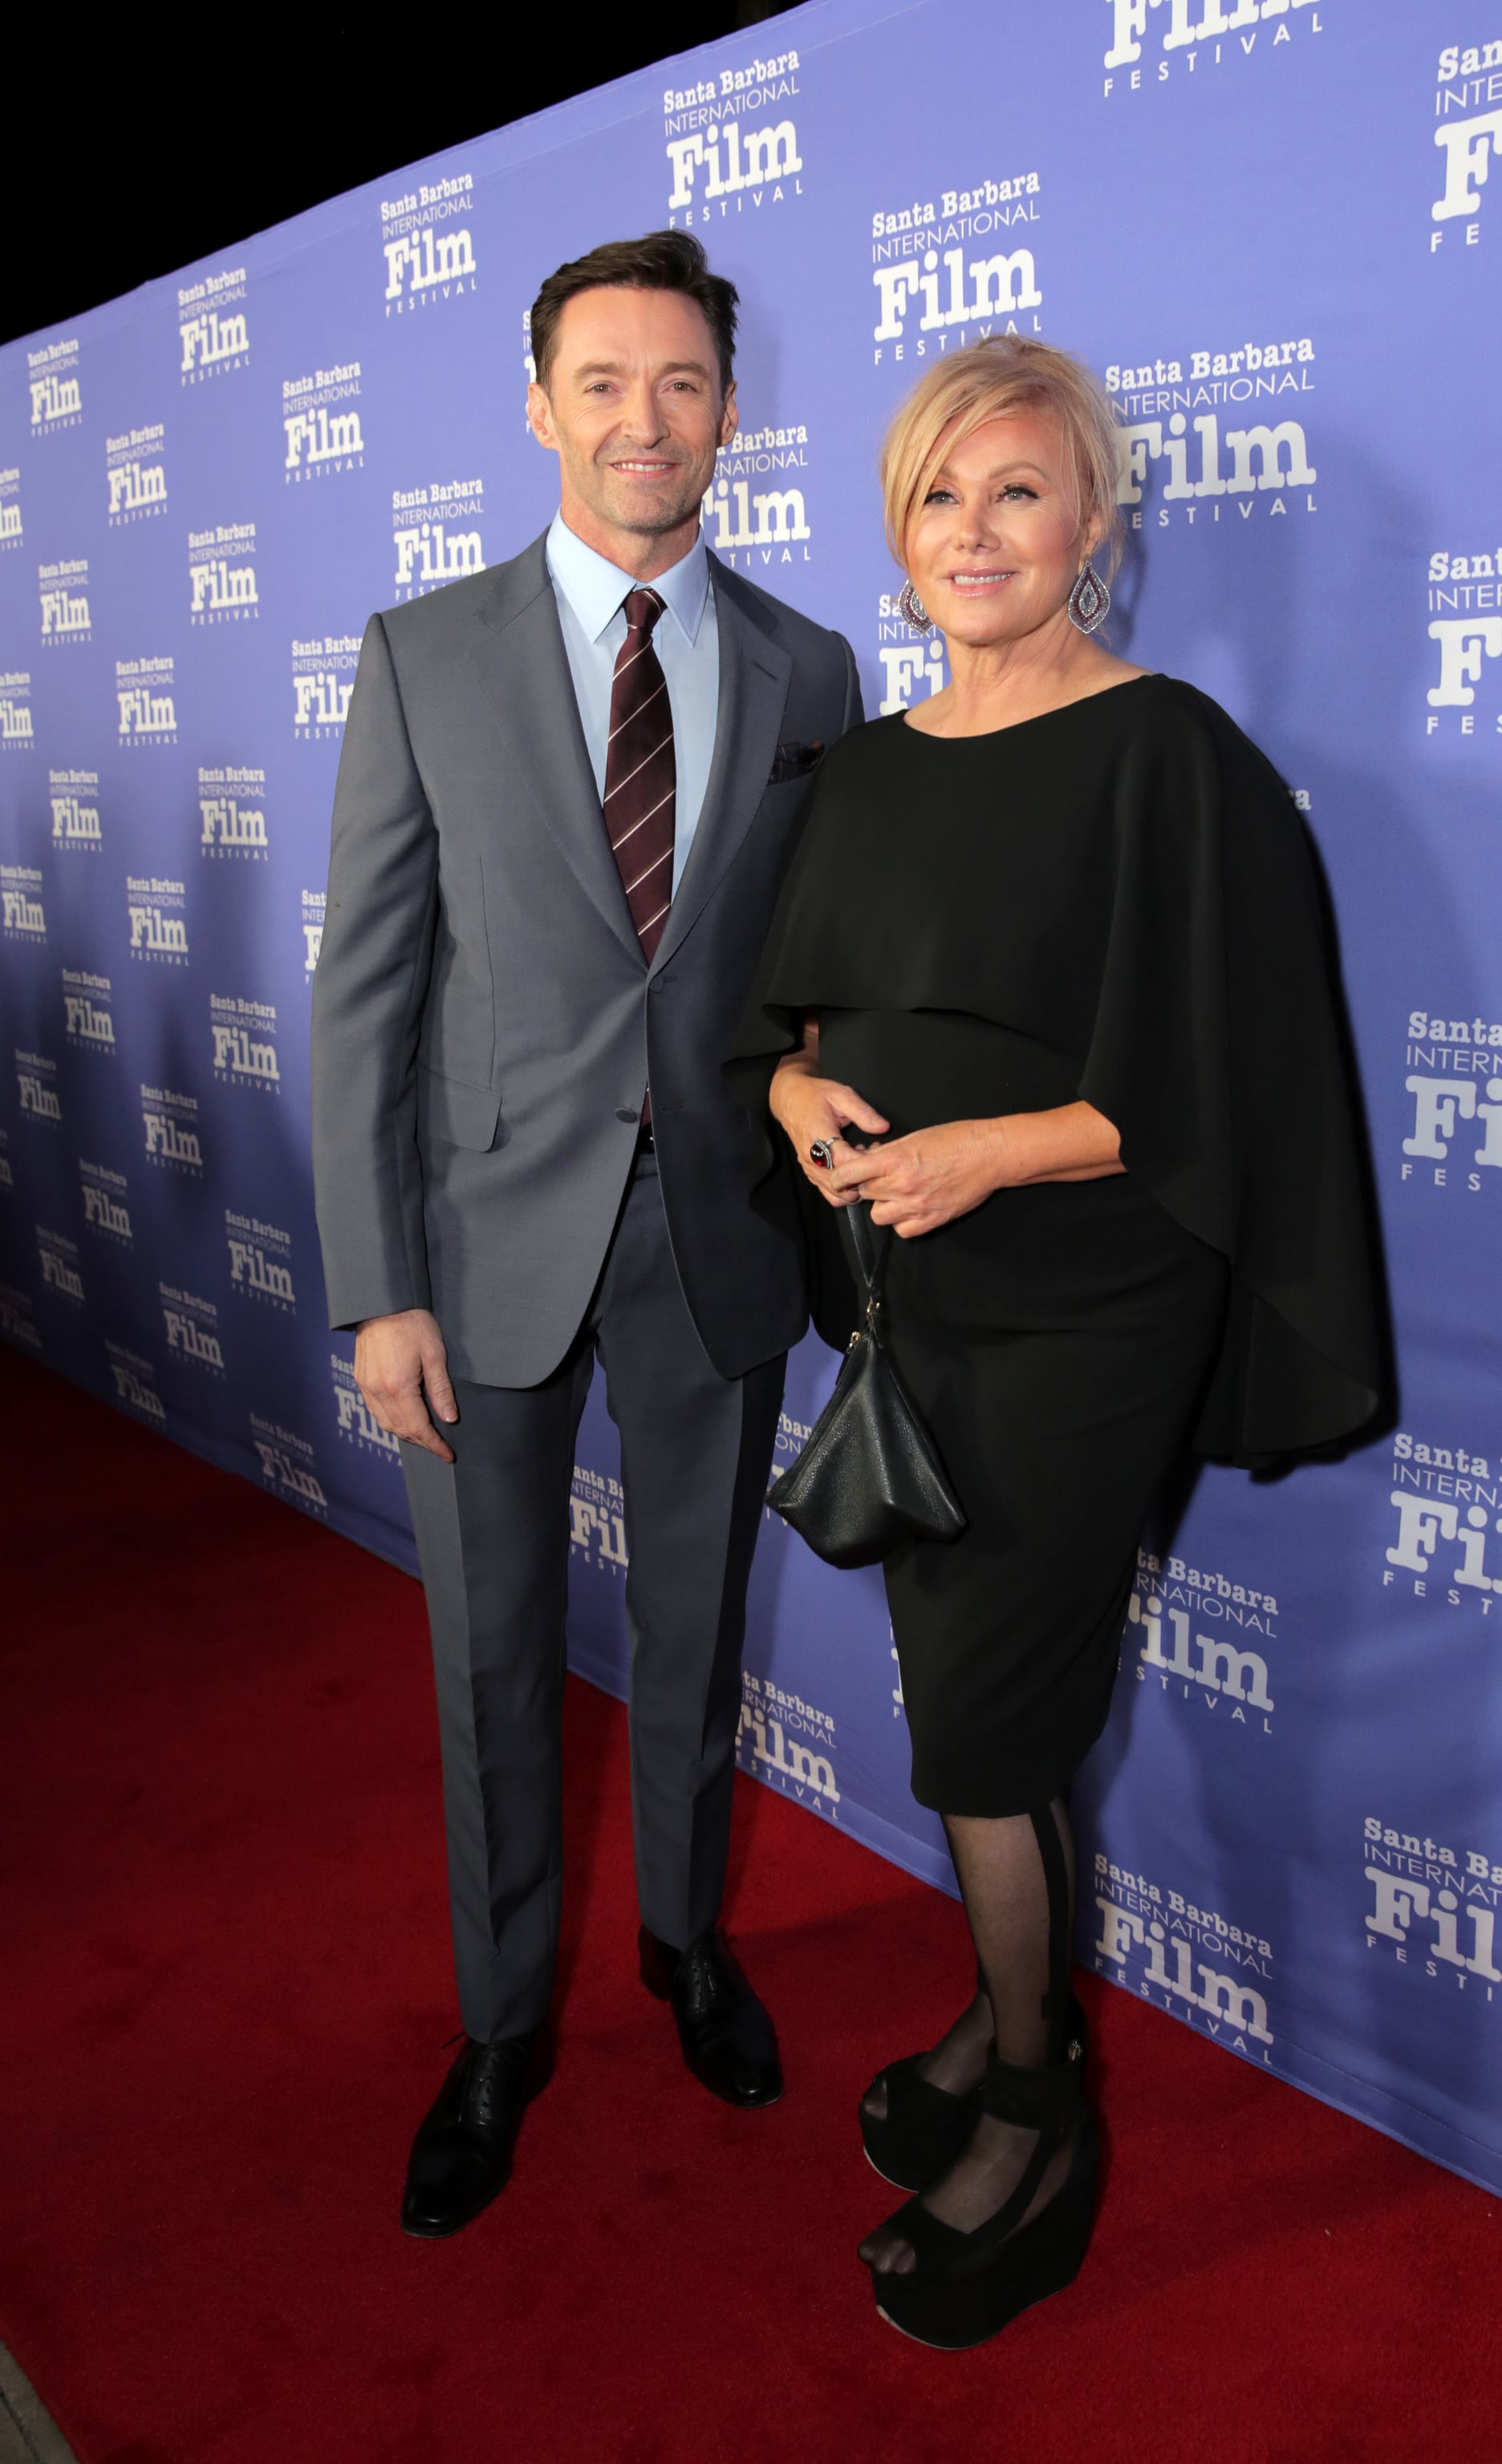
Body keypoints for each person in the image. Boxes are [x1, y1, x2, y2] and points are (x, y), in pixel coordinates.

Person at [731, 336, 1381, 2347]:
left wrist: (997, 1149)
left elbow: (1234, 1082)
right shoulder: (867, 766)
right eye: (941, 497)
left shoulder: (1165, 752)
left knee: (990, 1727)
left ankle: (1041, 2101)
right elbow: (804, 1028)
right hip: (912, 1305)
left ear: (1091, 527)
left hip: (1089, 1313)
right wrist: (793, 1106)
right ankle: (1008, 2005)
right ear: (900, 538)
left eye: (1018, 492)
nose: (977, 530)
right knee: (965, 1705)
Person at [310, 231, 862, 2240]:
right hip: (478, 1261)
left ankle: (689, 1950)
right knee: (491, 1661)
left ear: (733, 407)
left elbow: (816, 969)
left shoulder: (812, 666)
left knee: (700, 1636)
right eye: (605, 382)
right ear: (540, 405)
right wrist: (375, 1286)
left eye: (687, 382)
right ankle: (498, 2025)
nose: (649, 420)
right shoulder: (419, 655)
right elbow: (365, 994)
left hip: (718, 1245)